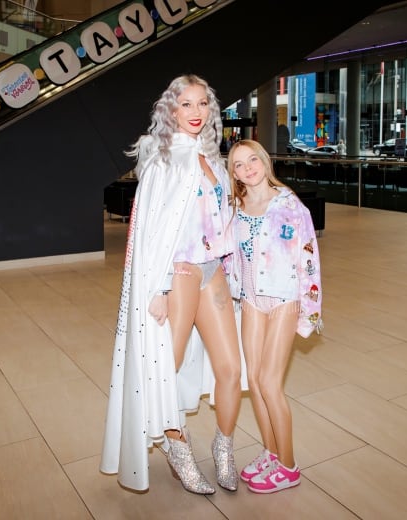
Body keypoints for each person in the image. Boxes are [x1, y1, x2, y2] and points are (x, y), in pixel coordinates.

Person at [100, 74, 243, 495]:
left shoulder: (214, 160)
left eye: (202, 104)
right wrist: (159, 287)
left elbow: (224, 221)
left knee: (231, 369)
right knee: (165, 365)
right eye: (186, 104)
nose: (196, 112)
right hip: (179, 273)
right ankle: (177, 447)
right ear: (171, 110)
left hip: (213, 269)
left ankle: (224, 447)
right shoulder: (162, 161)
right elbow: (153, 232)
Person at [226, 139, 323, 494]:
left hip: (284, 297)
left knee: (269, 382)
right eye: (239, 164)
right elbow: (228, 255)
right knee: (254, 380)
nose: (248, 167)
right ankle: (271, 452)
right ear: (233, 173)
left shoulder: (290, 206)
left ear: (265, 162)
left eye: (253, 159)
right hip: (251, 299)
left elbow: (309, 259)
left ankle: (289, 465)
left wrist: (309, 313)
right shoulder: (236, 206)